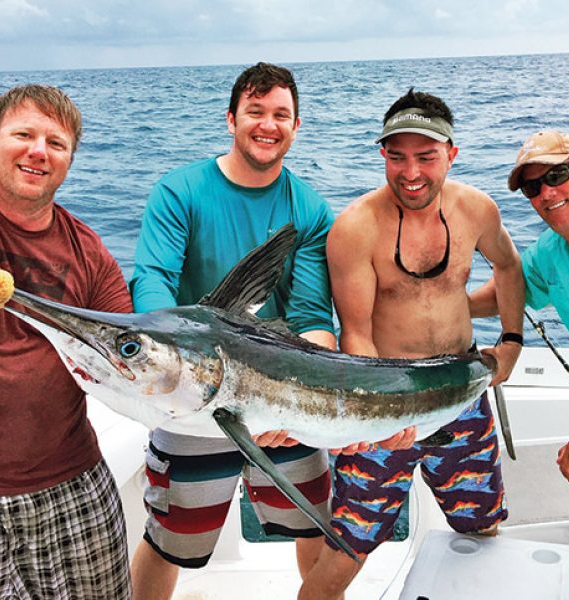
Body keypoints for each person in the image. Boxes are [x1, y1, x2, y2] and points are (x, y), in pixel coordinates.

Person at [128, 62, 413, 599]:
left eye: (281, 114)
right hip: (189, 398)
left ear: (296, 126)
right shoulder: (179, 192)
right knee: (170, 540)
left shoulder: (308, 208)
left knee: (312, 522)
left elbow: (309, 317)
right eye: (255, 112)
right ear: (231, 118)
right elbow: (153, 290)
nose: (268, 124)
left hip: (280, 400)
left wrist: (289, 404)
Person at [298, 88, 525, 599]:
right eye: (396, 156)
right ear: (382, 155)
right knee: (349, 545)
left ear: (451, 153)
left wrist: (511, 340)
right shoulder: (355, 227)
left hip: (463, 388)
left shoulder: (477, 210)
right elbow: (355, 332)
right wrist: (384, 415)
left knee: (481, 524)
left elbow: (509, 266)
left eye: (425, 156)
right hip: (386, 392)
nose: (411, 172)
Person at [0, 85, 132, 598]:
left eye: (56, 143)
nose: (39, 151)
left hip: (72, 479)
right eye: (24, 135)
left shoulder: (90, 253)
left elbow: (129, 354)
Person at [469, 129, 569, 490]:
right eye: (533, 187)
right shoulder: (552, 251)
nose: (547, 193)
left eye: (557, 175)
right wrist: (447, 307)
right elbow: (510, 291)